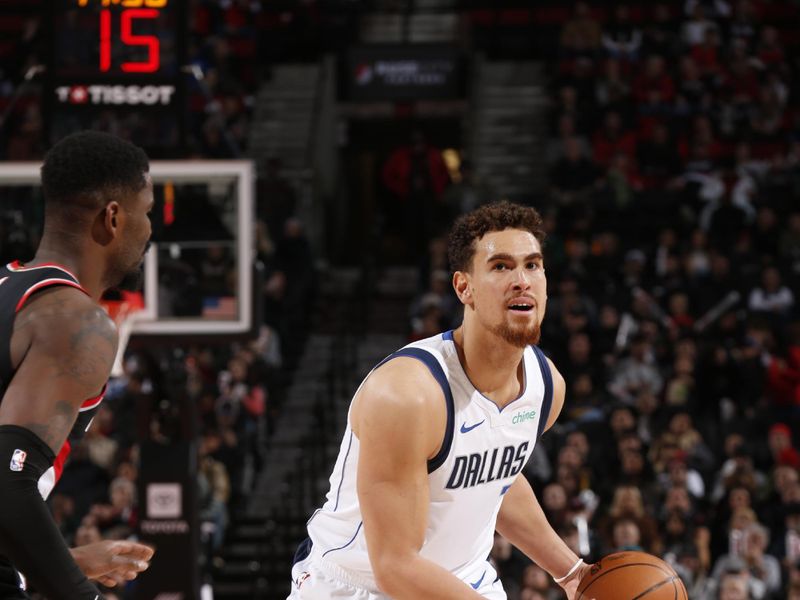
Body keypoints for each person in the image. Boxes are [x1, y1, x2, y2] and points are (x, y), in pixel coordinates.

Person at [289, 201, 593, 599]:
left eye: (532, 265)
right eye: (501, 266)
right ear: (463, 287)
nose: (522, 280)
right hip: (361, 585)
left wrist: (572, 573)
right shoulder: (407, 395)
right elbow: (395, 567)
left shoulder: (545, 387)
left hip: (463, 579)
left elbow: (495, 477)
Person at [0, 131, 155, 599]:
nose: (149, 230)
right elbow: (6, 481)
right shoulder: (75, 321)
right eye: (146, 212)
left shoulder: (10, 289)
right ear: (113, 218)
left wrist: (65, 561)